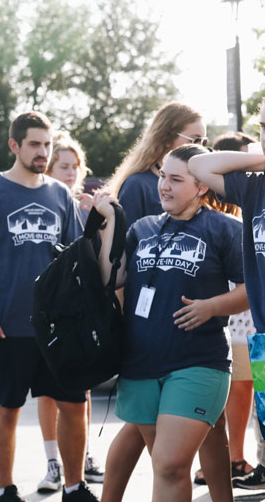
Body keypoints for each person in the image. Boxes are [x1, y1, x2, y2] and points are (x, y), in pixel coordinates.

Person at [97, 101, 237, 502]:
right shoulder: (141, 228)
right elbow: (112, 279)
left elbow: (252, 290)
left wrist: (212, 306)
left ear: (202, 185)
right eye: (163, 177)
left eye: (176, 180)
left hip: (198, 362)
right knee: (165, 463)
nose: (164, 186)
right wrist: (109, 227)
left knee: (172, 463)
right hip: (140, 363)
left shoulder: (223, 228)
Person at [0, 111, 96, 502]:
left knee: (72, 405)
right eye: (34, 144)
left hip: (56, 328)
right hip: (7, 324)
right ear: (14, 146)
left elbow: (73, 259)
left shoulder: (58, 195)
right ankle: (4, 490)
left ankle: (74, 486)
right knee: (7, 408)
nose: (42, 151)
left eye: (46, 144)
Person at [189, 99, 265, 490]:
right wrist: (260, 158)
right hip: (263, 339)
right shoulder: (253, 186)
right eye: (264, 125)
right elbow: (199, 165)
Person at [37, 133, 104, 492]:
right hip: (52, 311)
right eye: (63, 166)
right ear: (49, 168)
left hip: (81, 311)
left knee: (82, 390)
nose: (70, 172)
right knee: (47, 393)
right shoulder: (48, 200)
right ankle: (52, 463)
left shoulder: (87, 206)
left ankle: (84, 455)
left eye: (75, 166)